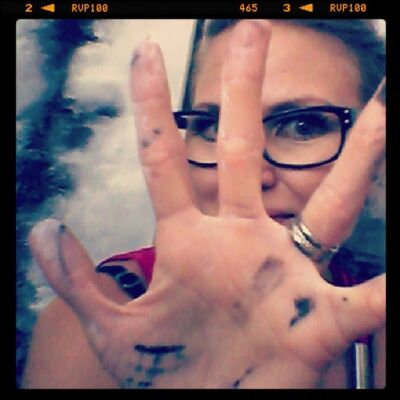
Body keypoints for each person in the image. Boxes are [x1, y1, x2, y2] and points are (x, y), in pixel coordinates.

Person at [22, 19, 386, 389]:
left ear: (375, 155)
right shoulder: (96, 330)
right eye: (212, 128)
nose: (247, 170)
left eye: (304, 127)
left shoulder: (374, 317)